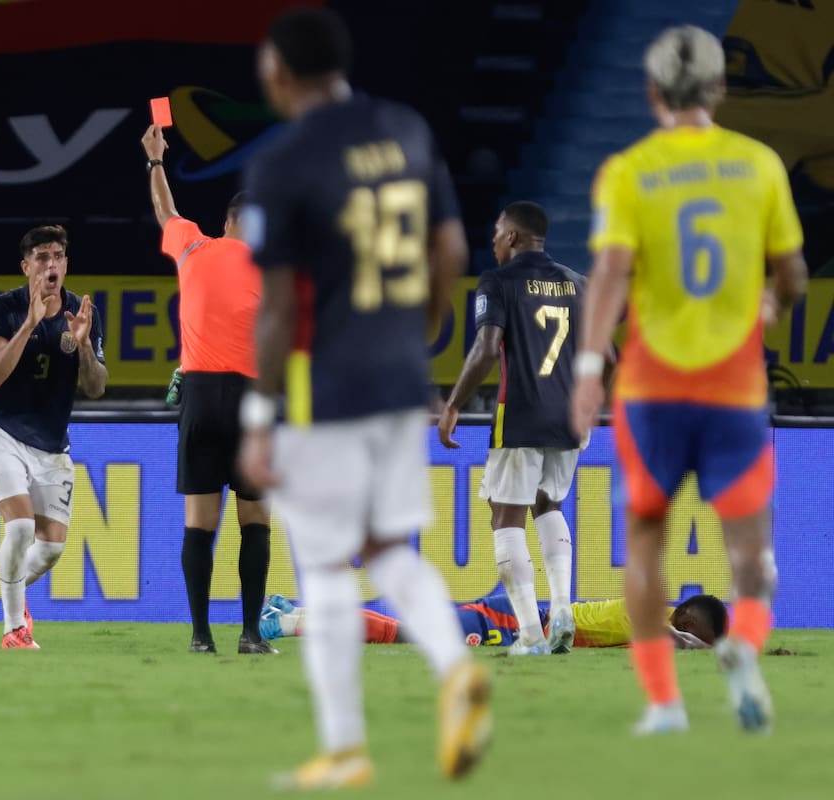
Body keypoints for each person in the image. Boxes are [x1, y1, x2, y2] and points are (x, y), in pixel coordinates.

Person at [237, 8, 491, 788]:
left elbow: (277, 310)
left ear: (280, 71)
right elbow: (450, 248)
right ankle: (454, 667)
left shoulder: (282, 163)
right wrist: (417, 334)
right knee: (385, 549)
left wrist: (257, 417)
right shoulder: (408, 130)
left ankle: (345, 748)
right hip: (396, 379)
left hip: (326, 386)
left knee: (322, 567)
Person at [573, 25, 809, 735]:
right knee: (751, 549)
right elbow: (793, 273)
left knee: (645, 541)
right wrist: (771, 302)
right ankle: (742, 645)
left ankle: (665, 703)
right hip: (734, 386)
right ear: (719, 88)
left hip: (653, 386)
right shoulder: (760, 164)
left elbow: (611, 274)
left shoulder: (628, 169)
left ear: (650, 93)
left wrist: (588, 369)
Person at [140, 123, 275, 656]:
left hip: (198, 396)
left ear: (226, 223)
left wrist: (155, 161)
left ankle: (200, 635)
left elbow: (165, 212)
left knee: (200, 522)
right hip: (252, 399)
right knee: (255, 518)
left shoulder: (194, 246)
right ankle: (249, 635)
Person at [437, 201, 587, 656]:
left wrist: (453, 404)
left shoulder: (498, 281)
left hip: (522, 413)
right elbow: (611, 358)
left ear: (515, 238)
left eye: (498, 232)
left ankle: (531, 634)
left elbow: (485, 349)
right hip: (569, 416)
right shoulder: (579, 284)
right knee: (549, 505)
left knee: (506, 517)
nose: (494, 240)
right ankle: (562, 609)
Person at [0, 224, 107, 649]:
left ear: (66, 263)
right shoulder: (4, 308)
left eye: (58, 256)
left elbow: (96, 387)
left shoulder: (81, 312)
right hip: (1, 432)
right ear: (26, 266)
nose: (52, 264)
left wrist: (84, 346)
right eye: (42, 257)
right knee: (19, 530)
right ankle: (14, 628)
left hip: (51, 444)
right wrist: (29, 325)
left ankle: (9, 591)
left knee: (50, 550)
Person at [259, 592, 727, 650]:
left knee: (402, 631)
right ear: (683, 615)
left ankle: (292, 611)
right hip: (507, 620)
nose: (692, 643)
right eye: (694, 631)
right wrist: (699, 645)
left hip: (515, 619)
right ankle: (286, 623)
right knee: (399, 634)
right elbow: (665, 639)